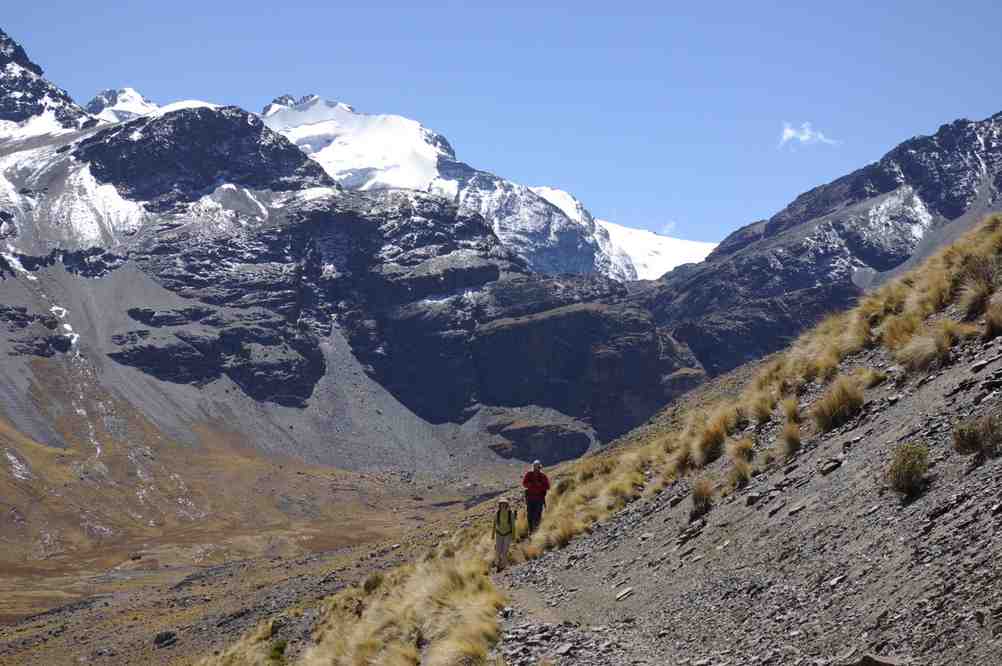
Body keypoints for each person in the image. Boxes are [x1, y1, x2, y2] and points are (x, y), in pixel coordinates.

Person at [522, 460, 550, 534]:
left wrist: (540, 485)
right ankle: (531, 530)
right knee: (530, 514)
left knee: (538, 514)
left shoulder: (543, 476)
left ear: (540, 467)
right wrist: (531, 484)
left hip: (539, 498)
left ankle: (536, 529)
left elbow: (547, 487)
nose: (536, 468)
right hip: (530, 498)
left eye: (537, 467)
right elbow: (524, 483)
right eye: (535, 466)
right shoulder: (529, 474)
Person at [493, 498, 516, 571]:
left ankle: (503, 566)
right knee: (498, 550)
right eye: (501, 504)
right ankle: (497, 564)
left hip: (507, 534)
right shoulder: (497, 513)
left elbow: (513, 525)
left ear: (507, 505)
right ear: (499, 505)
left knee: (505, 551)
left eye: (504, 504)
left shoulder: (510, 513)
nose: (503, 505)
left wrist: (513, 536)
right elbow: (494, 524)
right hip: (499, 533)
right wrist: (492, 534)